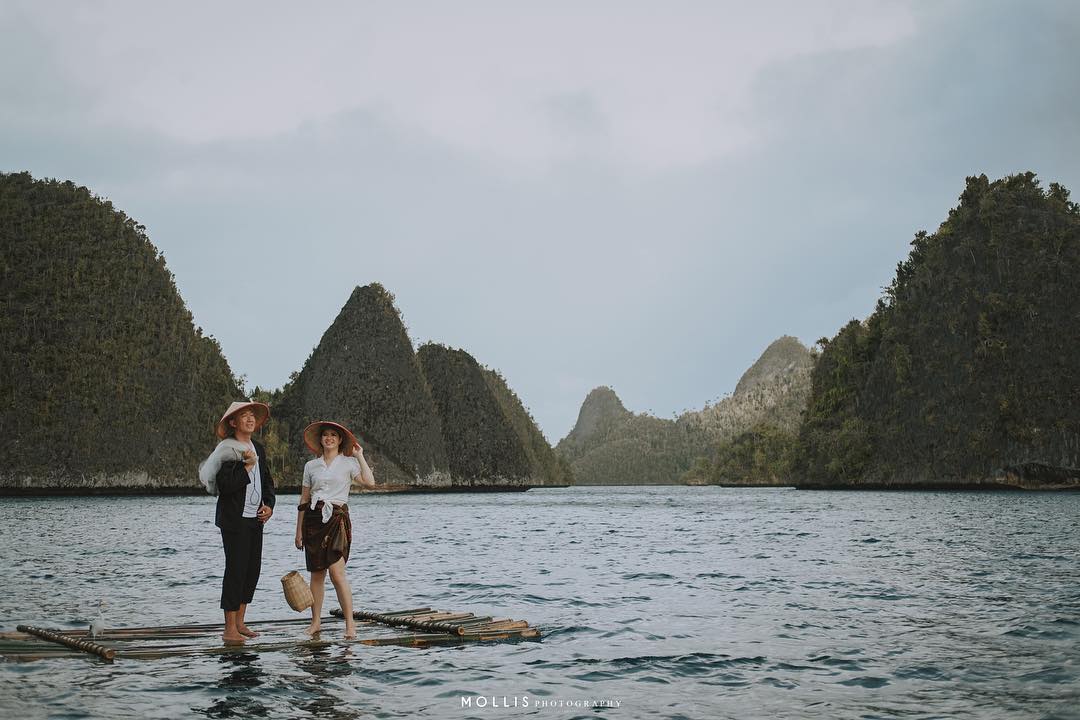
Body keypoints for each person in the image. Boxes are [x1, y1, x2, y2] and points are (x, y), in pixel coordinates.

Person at [294, 420, 375, 639]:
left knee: (337, 574)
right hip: (313, 520)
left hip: (337, 519)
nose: (328, 438)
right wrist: (298, 531)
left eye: (333, 435)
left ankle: (350, 625)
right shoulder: (311, 466)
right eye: (325, 435)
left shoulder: (348, 463)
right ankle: (315, 623)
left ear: (340, 440)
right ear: (320, 440)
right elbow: (304, 499)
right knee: (317, 575)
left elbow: (370, 483)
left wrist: (359, 455)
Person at [204, 401, 276, 644]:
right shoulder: (227, 450)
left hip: (256, 519)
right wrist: (246, 466)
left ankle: (241, 622)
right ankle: (229, 629)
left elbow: (267, 481)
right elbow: (224, 486)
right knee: (235, 571)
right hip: (235, 520)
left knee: (251, 571)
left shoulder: (259, 448)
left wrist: (269, 505)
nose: (250, 419)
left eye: (252, 416)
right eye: (244, 416)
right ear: (233, 422)